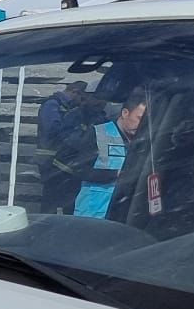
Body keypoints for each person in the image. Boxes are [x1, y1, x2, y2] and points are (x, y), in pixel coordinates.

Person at [75, 90, 147, 219]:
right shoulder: (98, 133)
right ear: (125, 113)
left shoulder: (143, 141)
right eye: (139, 118)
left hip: (123, 213)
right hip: (92, 213)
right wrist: (116, 174)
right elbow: (80, 169)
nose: (141, 124)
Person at [36, 80, 95, 214]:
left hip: (63, 161)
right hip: (49, 159)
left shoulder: (66, 107)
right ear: (75, 92)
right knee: (50, 199)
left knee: (65, 199)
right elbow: (52, 129)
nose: (81, 102)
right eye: (81, 98)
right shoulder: (53, 104)